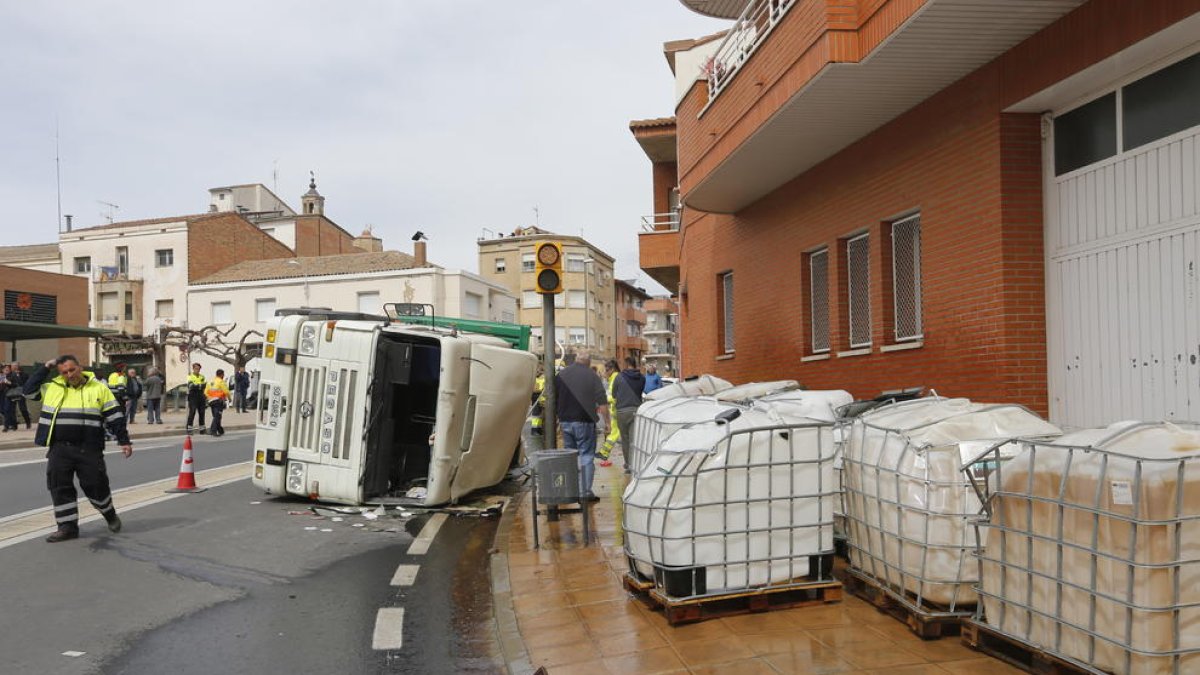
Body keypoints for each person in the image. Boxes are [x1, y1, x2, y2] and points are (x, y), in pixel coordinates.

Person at [25, 355, 132, 542]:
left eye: (72, 370)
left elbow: (115, 416)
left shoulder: (99, 388)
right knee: (59, 486)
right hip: (60, 448)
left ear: (80, 367)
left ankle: (109, 513)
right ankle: (67, 528)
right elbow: (28, 391)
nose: (69, 374)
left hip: (89, 448)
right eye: (64, 372)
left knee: (95, 485)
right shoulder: (52, 388)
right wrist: (46, 367)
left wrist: (124, 441)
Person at [554, 352, 609, 502]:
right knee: (586, 456)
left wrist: (556, 419)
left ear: (576, 360)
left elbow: (553, 397)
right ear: (588, 362)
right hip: (584, 421)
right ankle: (585, 492)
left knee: (570, 457)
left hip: (565, 421)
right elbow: (602, 401)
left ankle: (571, 490)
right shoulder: (592, 376)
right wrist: (608, 423)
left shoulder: (562, 375)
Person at [612, 357, 645, 474]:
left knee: (625, 439)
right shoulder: (641, 378)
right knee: (634, 439)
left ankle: (628, 465)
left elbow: (614, 394)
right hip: (636, 410)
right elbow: (641, 391)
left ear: (626, 364)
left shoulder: (619, 377)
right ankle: (636, 463)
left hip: (622, 411)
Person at [598, 360, 621, 467]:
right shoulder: (613, 378)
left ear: (612, 369)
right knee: (613, 432)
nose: (605, 373)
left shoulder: (615, 377)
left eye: (607, 371)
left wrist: (605, 399)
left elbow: (613, 396)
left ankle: (604, 452)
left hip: (616, 410)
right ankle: (604, 452)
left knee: (614, 433)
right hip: (615, 410)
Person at [205, 368, 230, 437]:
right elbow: (226, 391)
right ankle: (213, 431)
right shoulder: (221, 382)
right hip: (218, 401)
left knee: (216, 416)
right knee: (217, 416)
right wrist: (229, 399)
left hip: (211, 401)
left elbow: (205, 392)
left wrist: (209, 398)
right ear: (221, 375)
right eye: (223, 375)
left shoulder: (210, 381)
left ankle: (220, 430)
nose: (223, 376)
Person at [7, 362, 32, 430]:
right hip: (12, 394)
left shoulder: (24, 374)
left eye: (16, 366)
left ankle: (28, 422)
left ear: (18, 366)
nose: (14, 367)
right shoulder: (9, 375)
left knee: (23, 409)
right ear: (11, 367)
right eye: (13, 366)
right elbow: (8, 384)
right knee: (12, 410)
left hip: (21, 394)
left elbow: (28, 382)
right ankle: (14, 425)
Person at [185, 363, 207, 433]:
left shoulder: (202, 376)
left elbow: (205, 385)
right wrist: (200, 386)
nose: (197, 370)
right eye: (196, 368)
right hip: (193, 396)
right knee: (192, 412)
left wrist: (197, 385)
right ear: (193, 369)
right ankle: (189, 428)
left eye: (198, 369)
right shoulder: (190, 376)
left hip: (201, 396)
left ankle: (202, 429)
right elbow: (191, 386)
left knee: (202, 412)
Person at [0, 364, 13, 431]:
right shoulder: (1, 376)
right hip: (1, 394)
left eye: (8, 369)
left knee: (7, 409)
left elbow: (13, 384)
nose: (6, 370)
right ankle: (11, 422)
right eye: (5, 369)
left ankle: (6, 426)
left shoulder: (11, 376)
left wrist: (7, 382)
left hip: (8, 395)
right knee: (2, 410)